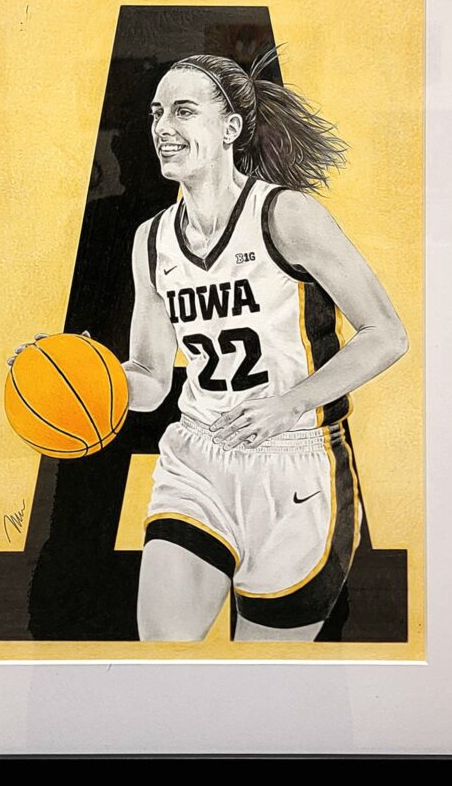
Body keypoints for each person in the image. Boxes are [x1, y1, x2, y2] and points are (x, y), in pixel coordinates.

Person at [122, 48, 409, 642]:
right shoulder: (152, 240)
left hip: (298, 465)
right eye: (156, 113)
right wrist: (86, 377)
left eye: (183, 111)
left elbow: (386, 334)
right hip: (197, 459)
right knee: (162, 658)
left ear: (230, 127)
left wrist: (289, 403)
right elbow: (150, 382)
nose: (162, 128)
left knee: (263, 678)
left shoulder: (287, 215)